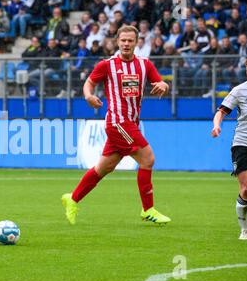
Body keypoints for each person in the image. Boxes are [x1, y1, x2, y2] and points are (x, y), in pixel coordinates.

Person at [61, 25, 171, 225]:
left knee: (103, 168)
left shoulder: (145, 65)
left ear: (137, 42)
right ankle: (148, 210)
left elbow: (160, 82)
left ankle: (73, 198)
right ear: (117, 41)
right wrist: (88, 96)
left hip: (131, 123)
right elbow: (89, 82)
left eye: (130, 40)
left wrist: (164, 84)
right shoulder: (107, 65)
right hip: (118, 122)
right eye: (123, 40)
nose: (127, 44)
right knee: (148, 159)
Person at [211, 53, 247, 241]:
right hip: (243, 143)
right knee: (246, 188)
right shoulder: (239, 90)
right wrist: (216, 125)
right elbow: (221, 111)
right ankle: (245, 229)